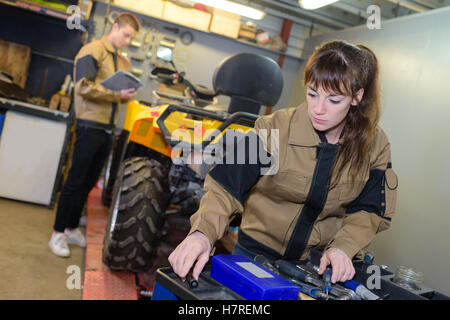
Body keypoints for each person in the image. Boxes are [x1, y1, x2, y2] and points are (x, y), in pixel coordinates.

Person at [168, 40, 398, 284]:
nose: (318, 109)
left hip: (316, 267)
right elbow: (225, 187)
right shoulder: (273, 129)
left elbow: (368, 210)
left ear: (356, 97)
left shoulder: (374, 145)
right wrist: (202, 233)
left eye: (333, 100)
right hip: (253, 255)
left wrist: (344, 247)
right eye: (312, 94)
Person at [49, 13, 140, 257]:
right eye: (126, 35)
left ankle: (69, 228)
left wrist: (125, 93)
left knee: (88, 183)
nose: (128, 41)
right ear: (115, 27)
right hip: (89, 124)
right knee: (75, 181)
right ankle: (57, 234)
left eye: (132, 38)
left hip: (108, 128)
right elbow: (83, 87)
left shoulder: (121, 60)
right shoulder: (92, 50)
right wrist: (116, 96)